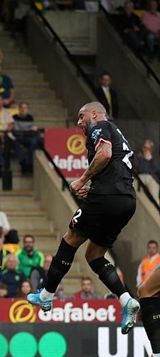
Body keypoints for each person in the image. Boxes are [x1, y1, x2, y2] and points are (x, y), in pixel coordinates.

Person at [27, 101, 139, 335]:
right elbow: (116, 164)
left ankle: (46, 295)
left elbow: (105, 153)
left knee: (69, 239)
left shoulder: (100, 125)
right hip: (126, 200)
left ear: (95, 114)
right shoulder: (118, 133)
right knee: (94, 254)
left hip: (107, 196)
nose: (79, 122)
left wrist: (82, 179)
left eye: (81, 116)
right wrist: (96, 186)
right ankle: (126, 300)